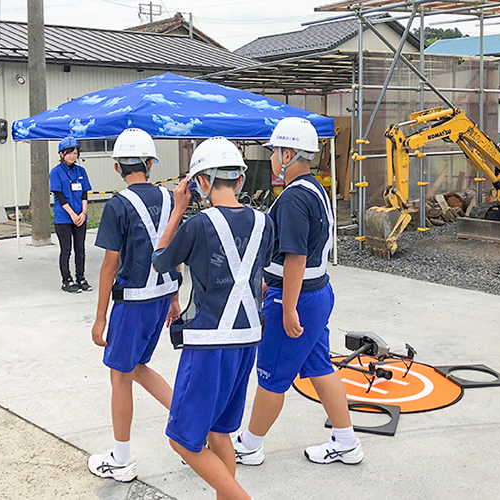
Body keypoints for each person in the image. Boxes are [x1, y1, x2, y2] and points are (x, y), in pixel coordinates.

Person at [232, 117, 364, 466]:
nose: (273, 158)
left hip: (296, 298)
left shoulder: (292, 198)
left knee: (271, 376)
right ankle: (347, 441)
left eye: (276, 152)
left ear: (289, 154)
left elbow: (296, 256)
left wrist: (287, 307)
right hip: (318, 295)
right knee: (320, 368)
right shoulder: (316, 188)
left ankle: (248, 445)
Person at [152, 137, 273, 500]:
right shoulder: (263, 222)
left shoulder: (197, 224)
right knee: (220, 432)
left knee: (183, 439)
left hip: (207, 343)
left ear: (200, 183)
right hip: (247, 339)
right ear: (239, 180)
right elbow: (262, 276)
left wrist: (177, 210)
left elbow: (160, 262)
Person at [88, 128, 180, 482]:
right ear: (151, 163)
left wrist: (100, 318)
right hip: (160, 298)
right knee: (137, 368)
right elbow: (173, 251)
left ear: (117, 168)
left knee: (120, 375)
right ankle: (191, 426)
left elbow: (110, 264)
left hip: (133, 301)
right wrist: (173, 296)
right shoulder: (172, 199)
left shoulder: (118, 204)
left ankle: (122, 459)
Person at [50, 136, 92, 293]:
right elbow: (59, 196)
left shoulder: (81, 171)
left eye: (75, 153)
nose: (72, 156)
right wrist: (73, 215)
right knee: (66, 249)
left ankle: (81, 277)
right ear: (61, 154)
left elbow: (84, 194)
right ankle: (66, 280)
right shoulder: (55, 172)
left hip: (80, 216)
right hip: (64, 217)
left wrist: (83, 212)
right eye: (69, 153)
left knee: (80, 248)